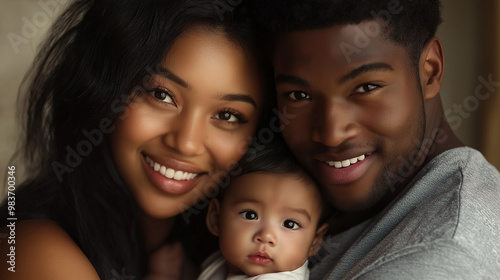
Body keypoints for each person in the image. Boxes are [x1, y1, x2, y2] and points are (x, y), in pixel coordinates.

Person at [0, 0, 272, 279]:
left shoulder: (233, 254)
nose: (186, 143)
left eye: (227, 116)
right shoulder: (35, 253)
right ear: (103, 90)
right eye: (161, 95)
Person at [255, 0, 500, 279]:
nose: (332, 134)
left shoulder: (438, 260)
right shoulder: (288, 191)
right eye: (299, 96)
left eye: (366, 87)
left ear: (430, 71)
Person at [197, 140, 329, 280]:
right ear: (216, 219)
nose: (266, 236)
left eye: (290, 224)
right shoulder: (219, 262)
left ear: (314, 242)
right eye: (250, 215)